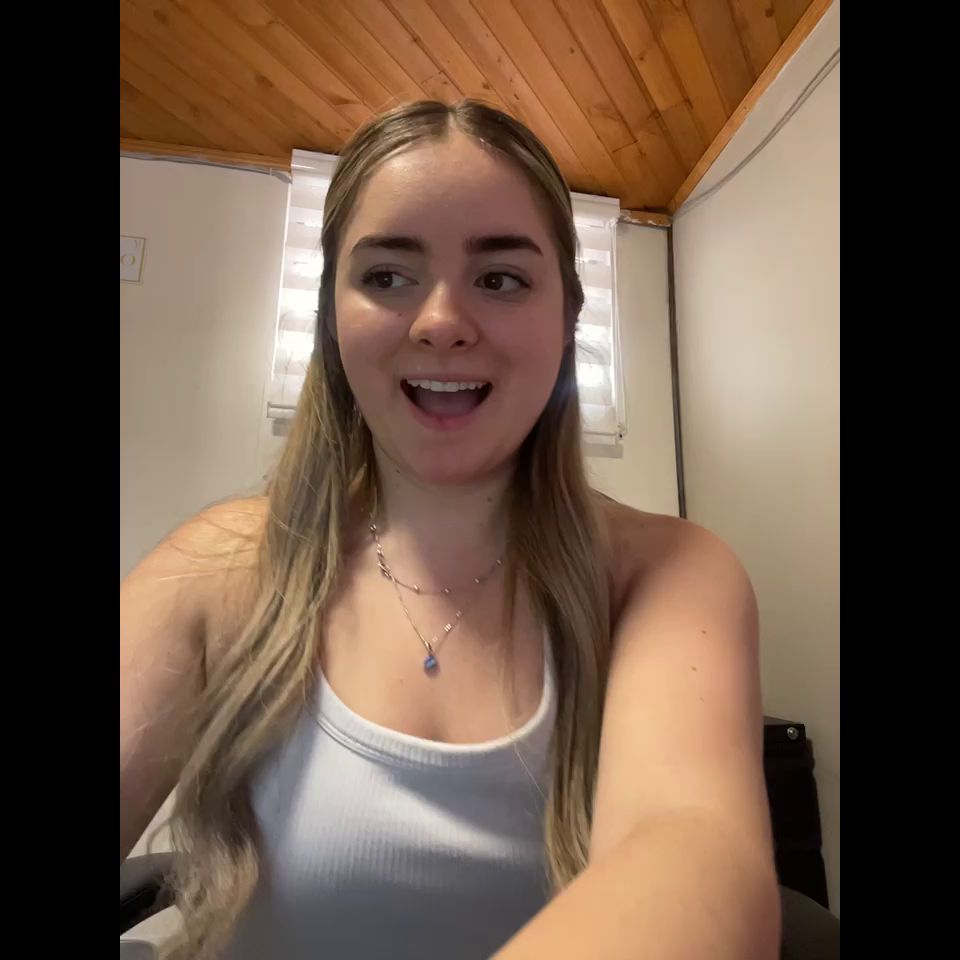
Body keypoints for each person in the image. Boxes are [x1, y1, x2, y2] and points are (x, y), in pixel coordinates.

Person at [120, 99, 780, 960]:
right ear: (330, 317)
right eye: (387, 276)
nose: (440, 322)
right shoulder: (220, 567)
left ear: (568, 316)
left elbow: (693, 852)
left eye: (500, 279)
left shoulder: (666, 573)